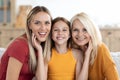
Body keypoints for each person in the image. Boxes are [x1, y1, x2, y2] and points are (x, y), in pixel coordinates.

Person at [0, 6, 52, 80]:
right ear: (29, 25)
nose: (43, 28)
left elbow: (41, 79)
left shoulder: (43, 46)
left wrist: (40, 51)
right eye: (37, 23)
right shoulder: (20, 46)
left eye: (47, 23)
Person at [70, 12, 120, 80]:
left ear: (91, 31)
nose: (80, 34)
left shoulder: (101, 49)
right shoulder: (70, 51)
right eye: (75, 30)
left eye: (85, 30)